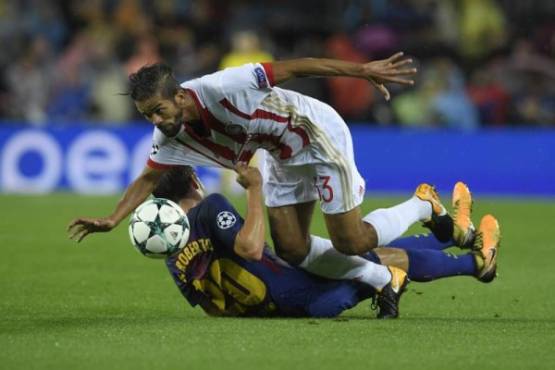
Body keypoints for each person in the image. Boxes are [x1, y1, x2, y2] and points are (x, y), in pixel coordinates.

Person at [67, 54, 460, 316]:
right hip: (279, 156)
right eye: (146, 115)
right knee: (291, 248)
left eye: (159, 110)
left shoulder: (224, 86)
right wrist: (112, 219)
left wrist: (361, 71)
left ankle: (423, 204)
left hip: (315, 134)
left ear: (181, 96)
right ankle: (379, 278)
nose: (155, 120)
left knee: (352, 241)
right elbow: (149, 177)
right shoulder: (169, 137)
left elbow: (297, 66)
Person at [144, 164, 500, 318]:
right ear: (193, 180)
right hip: (302, 295)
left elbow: (209, 306)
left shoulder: (170, 252)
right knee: (373, 256)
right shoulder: (209, 208)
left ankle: (464, 245)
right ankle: (466, 248)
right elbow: (252, 247)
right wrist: (255, 190)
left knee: (370, 256)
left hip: (284, 308)